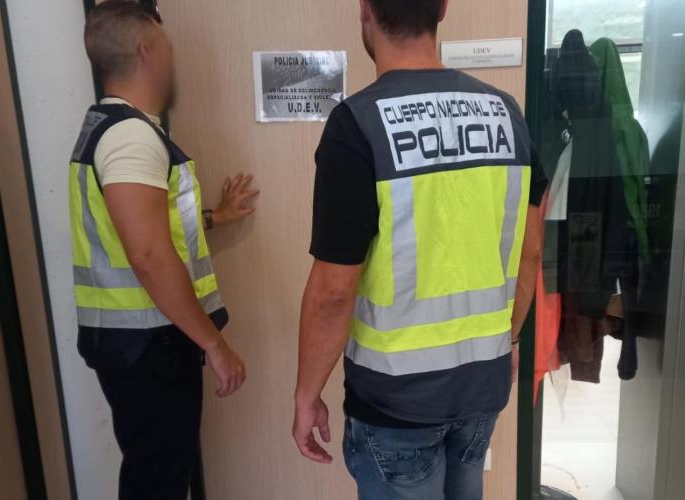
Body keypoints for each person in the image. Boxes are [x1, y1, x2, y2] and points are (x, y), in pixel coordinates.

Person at [292, 1, 546, 499]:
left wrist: (307, 394)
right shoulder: (507, 114)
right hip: (482, 386)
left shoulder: (357, 123)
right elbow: (530, 253)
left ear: (365, 8)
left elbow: (333, 291)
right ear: (443, 8)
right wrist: (509, 341)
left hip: (395, 400)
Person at [70, 2, 257, 499]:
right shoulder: (130, 137)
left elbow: (146, 228)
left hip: (136, 344)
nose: (173, 58)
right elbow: (149, 255)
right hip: (149, 345)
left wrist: (215, 216)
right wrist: (214, 344)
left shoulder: (115, 128)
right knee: (158, 483)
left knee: (157, 475)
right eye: (167, 46)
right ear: (146, 50)